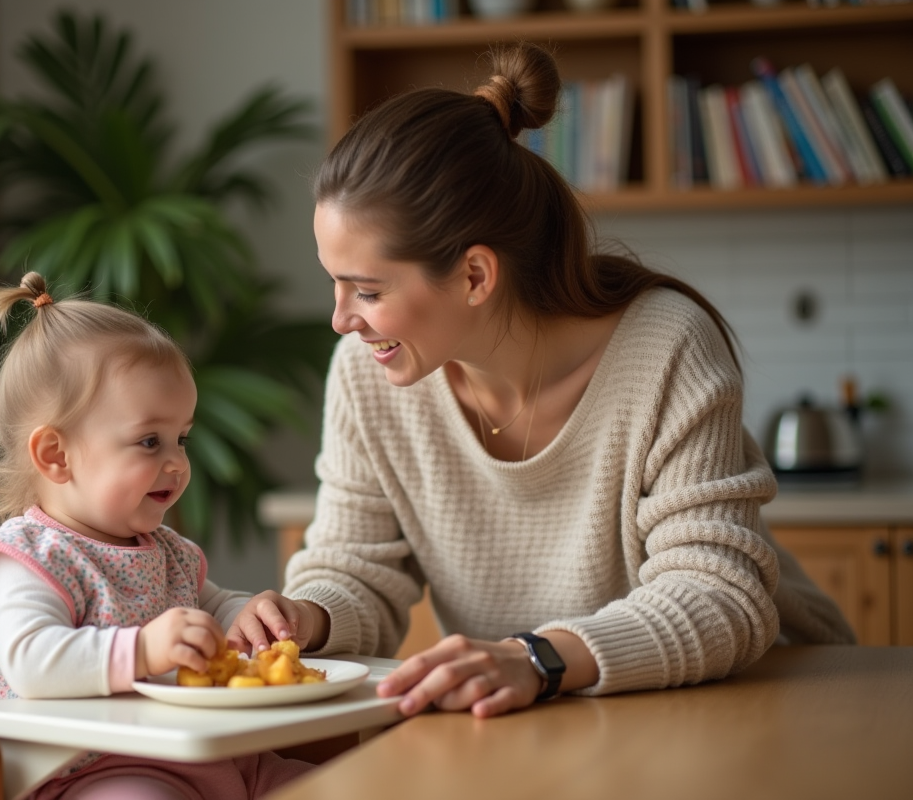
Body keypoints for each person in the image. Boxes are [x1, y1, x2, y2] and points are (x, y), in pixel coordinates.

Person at [225, 42, 854, 718]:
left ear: (474, 276)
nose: (341, 319)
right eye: (335, 283)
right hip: (554, 714)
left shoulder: (666, 348)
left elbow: (717, 595)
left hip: (773, 697)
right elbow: (356, 567)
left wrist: (536, 659)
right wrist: (306, 616)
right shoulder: (367, 373)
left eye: (368, 291)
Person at [0, 273, 312, 800]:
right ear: (56, 455)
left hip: (212, 758)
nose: (177, 462)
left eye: (182, 438)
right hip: (92, 772)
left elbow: (211, 609)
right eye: (149, 441)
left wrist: (247, 616)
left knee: (345, 781)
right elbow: (31, 660)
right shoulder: (32, 557)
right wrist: (142, 650)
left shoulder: (168, 553)